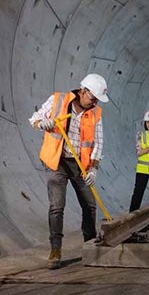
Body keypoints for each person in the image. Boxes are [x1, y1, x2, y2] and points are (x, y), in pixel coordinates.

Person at [29, 73, 109, 269]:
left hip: (80, 165)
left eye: (97, 100)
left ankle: (90, 245)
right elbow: (34, 118)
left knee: (90, 205)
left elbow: (97, 143)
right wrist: (43, 123)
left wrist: (93, 168)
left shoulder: (95, 113)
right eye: (92, 98)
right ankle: (55, 250)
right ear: (82, 91)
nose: (94, 102)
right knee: (57, 206)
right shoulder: (58, 100)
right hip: (56, 162)